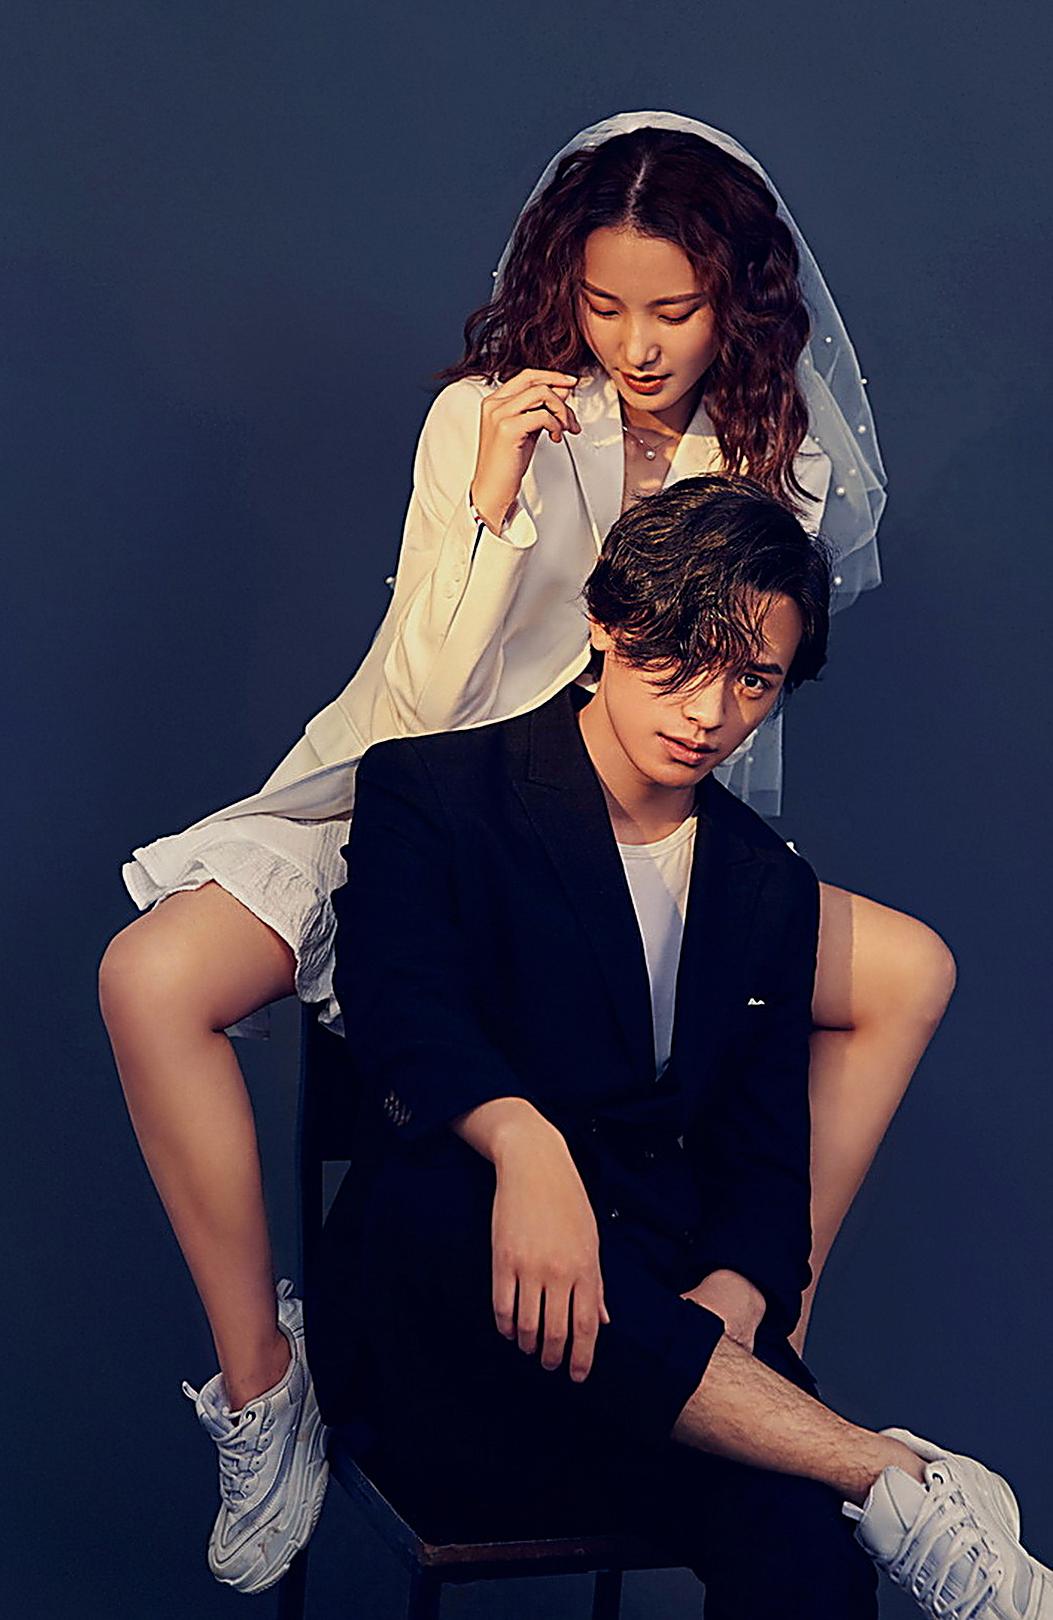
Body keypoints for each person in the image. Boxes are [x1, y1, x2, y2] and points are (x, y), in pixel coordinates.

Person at [97, 112, 953, 1591]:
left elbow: (728, 709)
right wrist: (491, 505)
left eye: (675, 310)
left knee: (908, 973)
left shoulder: (772, 456)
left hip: (616, 813)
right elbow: (421, 705)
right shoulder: (483, 416)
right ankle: (262, 1391)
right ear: (566, 283)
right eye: (606, 306)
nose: (637, 345)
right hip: (413, 793)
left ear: (735, 300)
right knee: (150, 977)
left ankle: (749, 1345)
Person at [314, 477, 1048, 1620]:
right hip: (459, 1349)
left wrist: (741, 1289)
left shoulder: (766, 885)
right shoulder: (437, 792)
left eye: (752, 679)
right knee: (455, 1197)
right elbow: (399, 1010)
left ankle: (863, 1483)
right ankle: (891, 1473)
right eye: (682, 658)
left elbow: (766, 1161)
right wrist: (523, 1144)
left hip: (653, 1366)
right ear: (606, 624)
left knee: (809, 1552)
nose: (710, 711)